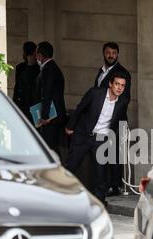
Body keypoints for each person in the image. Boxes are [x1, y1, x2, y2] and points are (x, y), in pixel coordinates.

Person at [65, 73, 128, 205]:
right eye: (117, 84)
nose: (119, 88)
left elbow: (119, 120)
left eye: (122, 85)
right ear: (110, 84)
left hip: (101, 139)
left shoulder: (122, 101)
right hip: (83, 134)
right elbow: (80, 108)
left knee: (101, 171)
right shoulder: (95, 93)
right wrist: (70, 126)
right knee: (71, 165)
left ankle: (99, 200)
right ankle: (59, 192)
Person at [94, 42, 131, 197]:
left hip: (116, 119)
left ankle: (115, 186)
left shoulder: (123, 73)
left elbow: (125, 98)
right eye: (108, 52)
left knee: (114, 154)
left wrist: (111, 118)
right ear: (104, 53)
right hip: (101, 119)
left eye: (114, 53)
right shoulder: (101, 71)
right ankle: (105, 184)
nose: (111, 55)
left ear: (118, 54)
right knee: (105, 152)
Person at [36, 41, 67, 156]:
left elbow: (46, 94)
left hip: (51, 118)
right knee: (50, 146)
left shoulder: (49, 69)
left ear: (40, 56)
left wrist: (45, 116)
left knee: (50, 147)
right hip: (53, 116)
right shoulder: (51, 67)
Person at [13, 41, 40, 124]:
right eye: (33, 54)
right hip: (22, 104)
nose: (35, 57)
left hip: (34, 105)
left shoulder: (39, 69)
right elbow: (17, 86)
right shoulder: (20, 68)